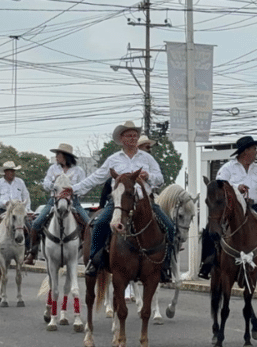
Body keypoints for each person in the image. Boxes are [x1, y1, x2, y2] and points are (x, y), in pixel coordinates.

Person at [64, 121, 176, 282]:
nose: (132, 138)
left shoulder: (148, 158)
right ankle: (94, 261)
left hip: (145, 202)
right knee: (99, 223)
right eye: (129, 135)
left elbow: (160, 179)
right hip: (120, 203)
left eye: (135, 135)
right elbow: (96, 177)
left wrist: (148, 176)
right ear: (122, 138)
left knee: (170, 227)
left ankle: (165, 266)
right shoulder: (113, 159)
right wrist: (74, 189)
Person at [199, 136, 257, 280]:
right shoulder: (228, 168)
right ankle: (207, 263)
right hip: (232, 207)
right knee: (210, 231)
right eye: (254, 149)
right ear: (245, 152)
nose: (256, 152)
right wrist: (236, 188)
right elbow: (219, 187)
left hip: (253, 205)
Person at [26, 143, 88, 265]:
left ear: (65, 156)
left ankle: (88, 252)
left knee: (88, 223)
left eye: (58, 155)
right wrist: (55, 186)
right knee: (37, 222)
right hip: (54, 199)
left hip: (73, 201)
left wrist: (71, 190)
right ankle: (32, 253)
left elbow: (84, 187)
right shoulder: (53, 169)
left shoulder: (78, 170)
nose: (56, 157)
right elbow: (45, 183)